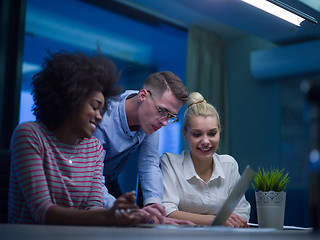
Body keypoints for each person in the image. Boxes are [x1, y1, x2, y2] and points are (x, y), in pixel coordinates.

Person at [8, 49, 152, 226]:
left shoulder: (94, 148)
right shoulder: (30, 135)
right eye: (94, 107)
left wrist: (120, 214)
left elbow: (93, 206)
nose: (99, 116)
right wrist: (108, 216)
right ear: (70, 100)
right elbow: (42, 211)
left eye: (102, 110)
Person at [93, 71, 192, 224]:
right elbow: (93, 180)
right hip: (88, 181)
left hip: (110, 181)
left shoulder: (150, 120)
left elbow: (149, 163)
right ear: (142, 96)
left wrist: (154, 207)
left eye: (171, 116)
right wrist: (129, 212)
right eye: (163, 111)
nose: (165, 122)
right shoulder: (102, 119)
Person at [160, 92, 250, 227]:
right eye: (197, 134)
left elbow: (242, 213)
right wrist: (216, 220)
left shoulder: (229, 165)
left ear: (220, 131)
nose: (206, 141)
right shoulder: (170, 163)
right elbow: (166, 212)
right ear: (185, 134)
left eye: (212, 133)